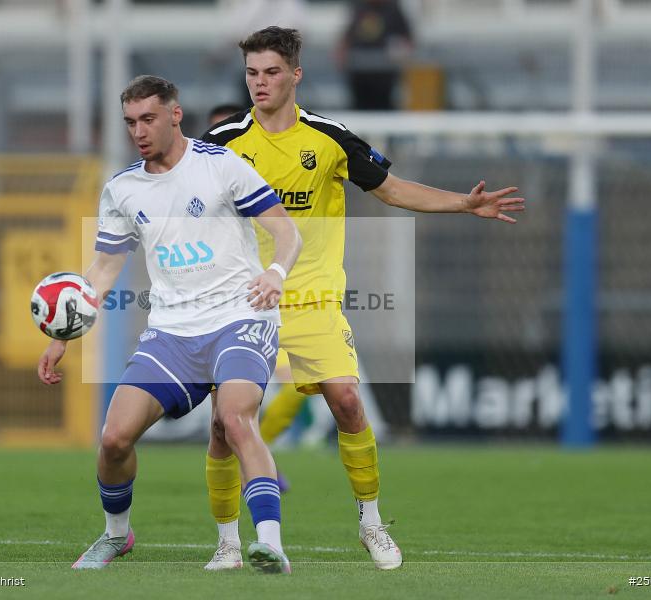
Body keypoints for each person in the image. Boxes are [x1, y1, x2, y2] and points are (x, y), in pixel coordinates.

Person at [201, 26, 525, 571]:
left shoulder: (329, 138)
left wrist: (462, 205)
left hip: (315, 305)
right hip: (245, 308)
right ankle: (229, 542)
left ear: (295, 74)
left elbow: (393, 189)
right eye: (252, 74)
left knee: (348, 402)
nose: (260, 83)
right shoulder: (224, 142)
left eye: (271, 72)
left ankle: (371, 523)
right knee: (225, 425)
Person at [38, 75, 302, 573]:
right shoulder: (122, 189)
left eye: (148, 119)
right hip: (172, 331)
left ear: (175, 115)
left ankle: (271, 542)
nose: (138, 131)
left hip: (239, 316)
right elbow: (103, 271)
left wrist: (274, 271)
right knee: (114, 438)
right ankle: (117, 535)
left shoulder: (221, 167)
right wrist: (62, 334)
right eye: (130, 122)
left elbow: (285, 231)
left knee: (236, 418)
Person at [336, 0, 414, 111]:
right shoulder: (359, 7)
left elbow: (407, 40)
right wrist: (342, 52)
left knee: (383, 109)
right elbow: (348, 35)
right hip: (359, 75)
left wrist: (400, 51)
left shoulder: (393, 9)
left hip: (384, 78)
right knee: (359, 109)